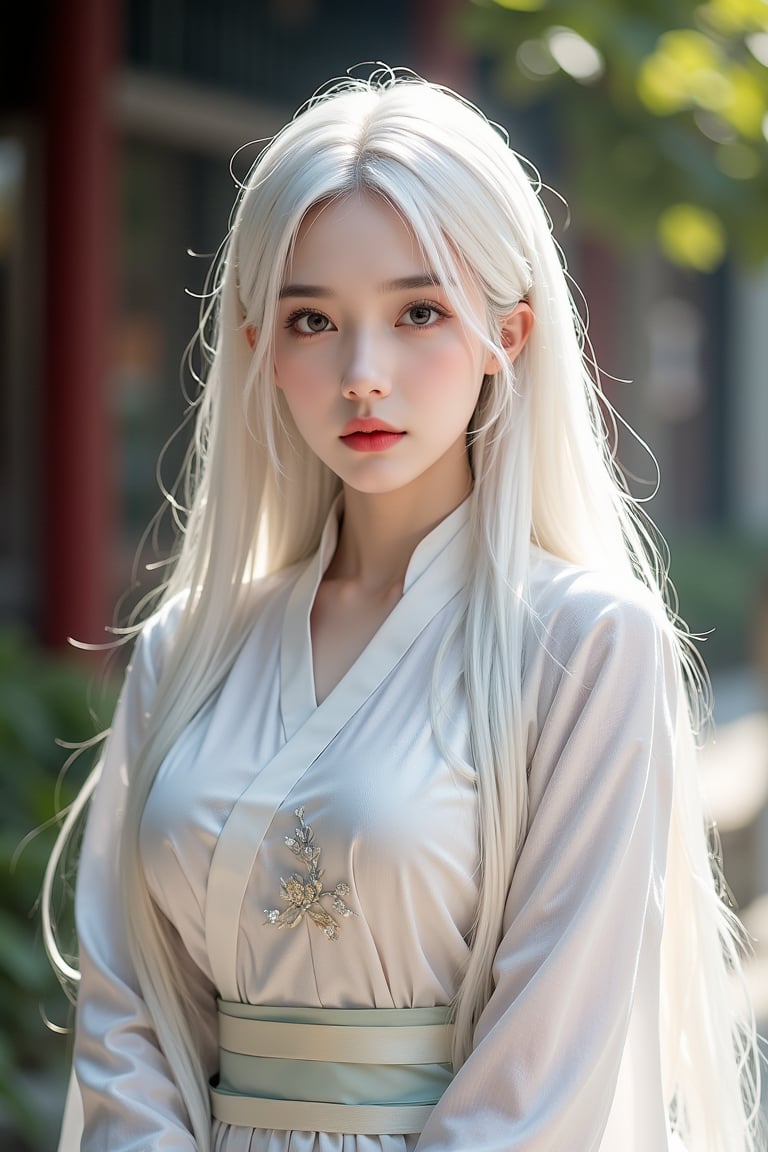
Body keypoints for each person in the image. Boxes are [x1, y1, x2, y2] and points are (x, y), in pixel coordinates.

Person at [45, 65, 763, 1152]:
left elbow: (550, 1060)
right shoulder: (187, 648)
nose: (363, 374)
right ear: (259, 349)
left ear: (507, 335)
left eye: (419, 311)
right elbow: (125, 1010)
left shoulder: (584, 644)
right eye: (313, 320)